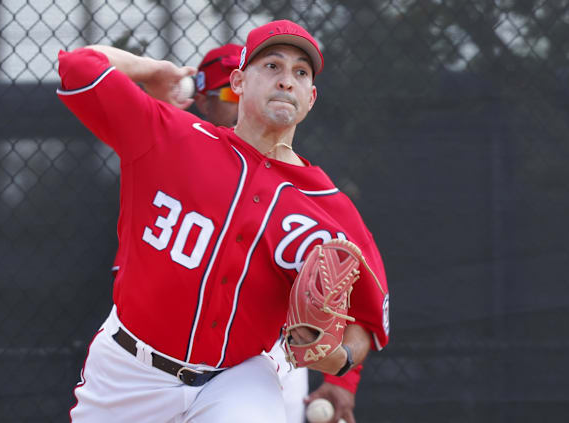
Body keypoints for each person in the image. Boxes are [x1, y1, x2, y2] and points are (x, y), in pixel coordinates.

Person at [57, 19, 390, 423]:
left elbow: (369, 318)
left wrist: (339, 360)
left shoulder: (328, 209)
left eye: (300, 73)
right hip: (128, 370)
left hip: (237, 378)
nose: (287, 81)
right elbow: (78, 66)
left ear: (311, 97)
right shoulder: (170, 137)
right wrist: (152, 69)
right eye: (272, 66)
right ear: (239, 81)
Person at [192, 43, 366, 423]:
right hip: (158, 361)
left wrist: (343, 376)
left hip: (268, 361)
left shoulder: (313, 195)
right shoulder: (179, 168)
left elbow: (361, 304)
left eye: (296, 73)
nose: (282, 84)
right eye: (225, 92)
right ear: (203, 102)